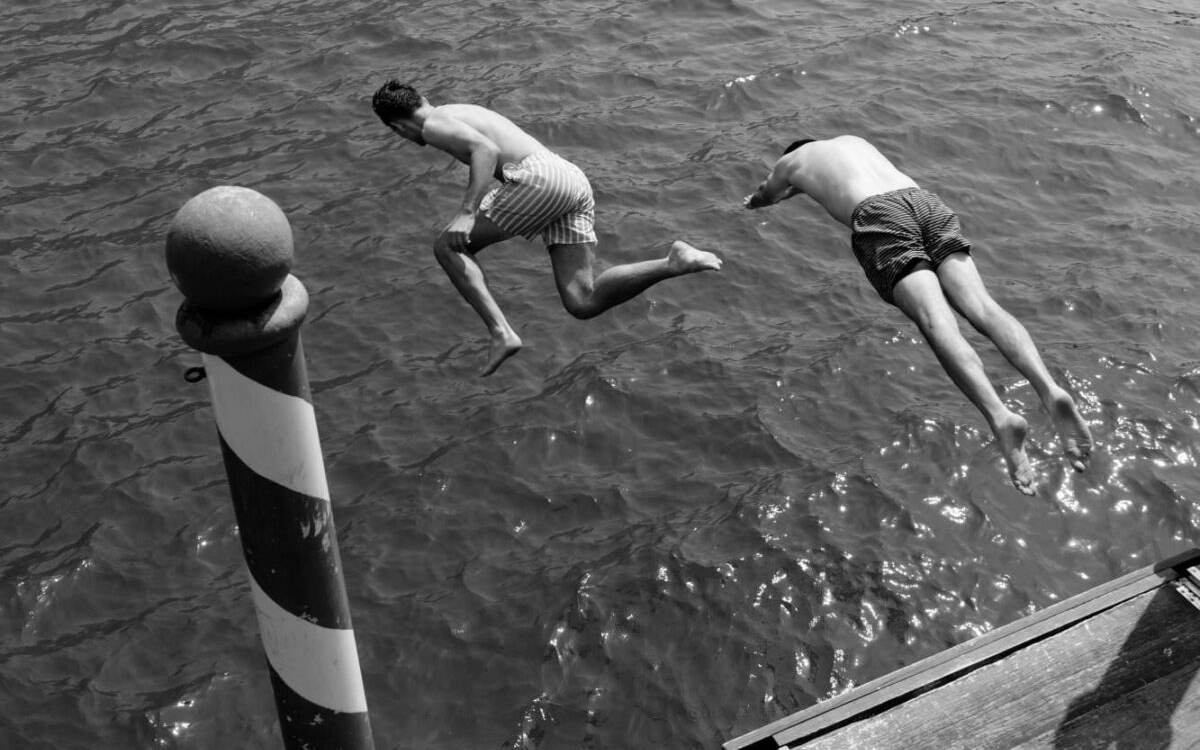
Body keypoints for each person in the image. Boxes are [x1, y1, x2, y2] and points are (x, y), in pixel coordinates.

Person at [743, 134, 1093, 494]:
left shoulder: (790, 163)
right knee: (984, 307)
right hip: (923, 202)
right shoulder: (853, 142)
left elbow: (766, 193)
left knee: (935, 320)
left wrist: (757, 201)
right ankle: (1050, 389)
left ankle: (1001, 418)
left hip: (878, 214)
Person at [372, 81, 722, 375]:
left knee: (447, 247)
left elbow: (485, 149)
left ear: (398, 127)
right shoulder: (455, 110)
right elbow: (486, 146)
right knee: (582, 301)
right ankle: (673, 263)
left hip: (537, 177)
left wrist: (468, 210)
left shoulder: (433, 123)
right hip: (569, 178)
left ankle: (501, 333)